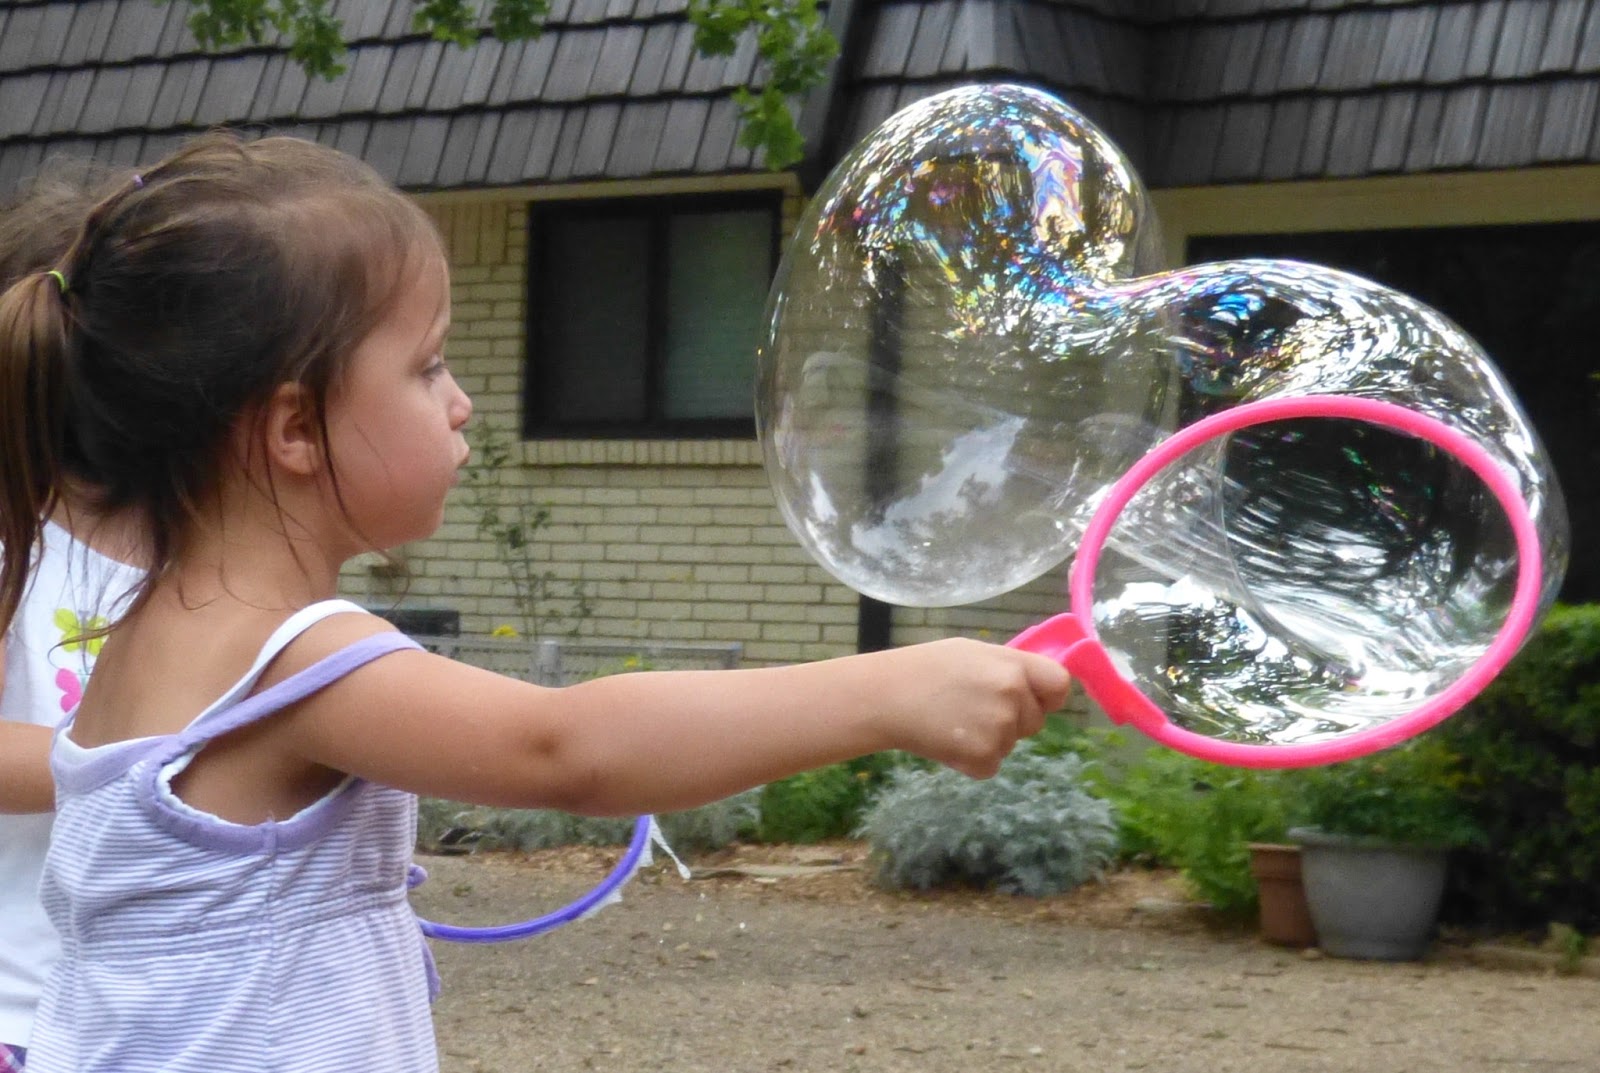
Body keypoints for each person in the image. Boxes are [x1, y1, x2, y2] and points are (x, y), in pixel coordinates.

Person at [0, 131, 1072, 1073]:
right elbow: (567, 747)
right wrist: (889, 688)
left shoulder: (146, 633)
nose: (462, 401)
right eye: (425, 367)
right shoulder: (290, 657)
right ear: (291, 428)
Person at [0, 162, 145, 1073]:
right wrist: (164, 762)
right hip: (23, 1013)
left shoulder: (206, 554)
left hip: (146, 1019)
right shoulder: (12, 544)